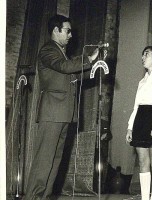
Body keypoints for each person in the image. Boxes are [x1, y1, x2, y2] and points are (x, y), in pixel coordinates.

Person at [24, 14, 99, 199]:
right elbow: (65, 67)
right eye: (67, 30)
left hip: (63, 113)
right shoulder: (48, 50)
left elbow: (71, 76)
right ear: (56, 31)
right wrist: (88, 59)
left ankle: (45, 197)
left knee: (55, 161)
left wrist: (93, 69)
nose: (70, 35)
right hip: (52, 113)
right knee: (44, 161)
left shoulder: (61, 53)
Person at [125, 46, 152, 200]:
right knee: (143, 161)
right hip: (140, 119)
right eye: (142, 54)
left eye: (146, 54)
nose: (143, 57)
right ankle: (145, 197)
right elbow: (136, 106)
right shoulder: (142, 81)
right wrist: (130, 127)